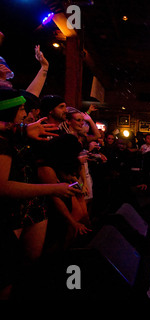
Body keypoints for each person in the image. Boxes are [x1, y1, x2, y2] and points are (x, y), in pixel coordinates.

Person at [0, 89, 81, 299]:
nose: (26, 114)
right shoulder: (5, 139)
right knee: (8, 273)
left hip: (33, 202)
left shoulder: (17, 132)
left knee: (29, 264)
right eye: (21, 109)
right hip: (13, 207)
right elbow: (3, 187)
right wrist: (54, 188)